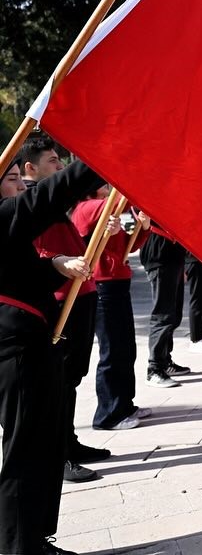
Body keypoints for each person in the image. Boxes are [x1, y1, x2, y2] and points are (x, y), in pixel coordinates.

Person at [1, 155, 104, 555]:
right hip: (15, 347)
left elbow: (19, 270)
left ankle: (34, 539)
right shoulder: (3, 216)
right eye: (11, 179)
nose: (19, 186)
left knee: (42, 445)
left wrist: (57, 265)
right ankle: (18, 547)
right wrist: (102, 157)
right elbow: (50, 194)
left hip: (32, 340)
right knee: (24, 450)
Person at [20, 137, 108, 484]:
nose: (59, 167)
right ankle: (61, 454)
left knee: (72, 379)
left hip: (80, 293)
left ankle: (69, 441)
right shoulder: (30, 204)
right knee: (60, 381)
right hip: (59, 298)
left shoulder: (49, 204)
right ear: (31, 168)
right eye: (53, 161)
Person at [71, 190, 152, 432]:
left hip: (117, 281)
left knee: (125, 347)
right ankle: (108, 413)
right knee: (113, 349)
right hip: (102, 284)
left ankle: (124, 404)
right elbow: (123, 195)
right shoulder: (89, 207)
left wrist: (143, 226)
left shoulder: (115, 208)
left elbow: (130, 242)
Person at [140, 220, 191, 388]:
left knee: (174, 314)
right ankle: (154, 368)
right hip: (159, 255)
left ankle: (165, 360)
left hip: (173, 254)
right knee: (163, 315)